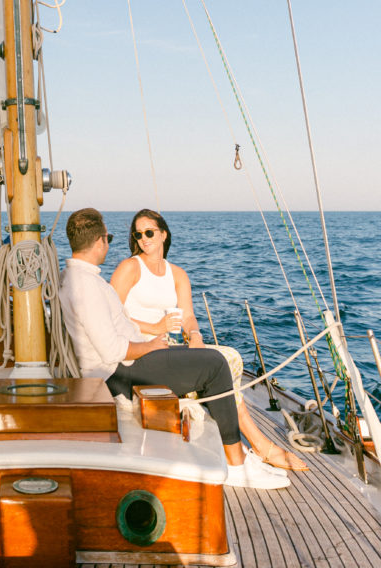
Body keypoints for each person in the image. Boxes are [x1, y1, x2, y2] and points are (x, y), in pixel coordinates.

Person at [59, 207, 288, 490]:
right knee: (214, 365)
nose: (110, 243)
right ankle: (236, 465)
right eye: (109, 238)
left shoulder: (81, 279)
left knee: (209, 359)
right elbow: (113, 351)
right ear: (98, 242)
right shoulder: (86, 286)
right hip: (120, 374)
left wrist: (188, 337)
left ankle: (237, 452)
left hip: (126, 364)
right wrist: (152, 343)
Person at [110, 208, 307, 473]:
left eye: (149, 232)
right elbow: (111, 317)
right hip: (137, 352)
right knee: (225, 361)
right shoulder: (130, 267)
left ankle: (251, 443)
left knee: (229, 358)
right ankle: (257, 445)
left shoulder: (177, 274)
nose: (144, 239)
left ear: (163, 234)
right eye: (138, 234)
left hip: (167, 349)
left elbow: (188, 316)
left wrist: (195, 336)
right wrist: (154, 326)